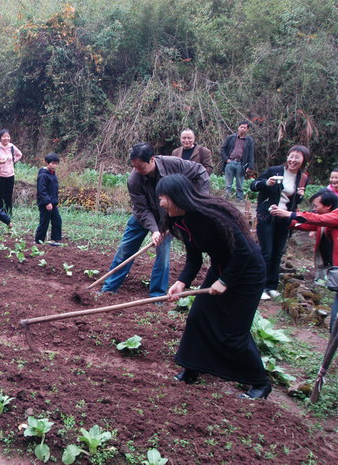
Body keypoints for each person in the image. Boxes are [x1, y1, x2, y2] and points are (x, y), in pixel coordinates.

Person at [160, 174, 271, 399]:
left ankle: (260, 383)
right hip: (221, 268)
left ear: (175, 197)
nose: (160, 203)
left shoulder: (212, 216)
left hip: (247, 272)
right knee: (198, 317)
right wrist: (181, 283)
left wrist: (225, 281)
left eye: (162, 197)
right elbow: (194, 258)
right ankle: (193, 368)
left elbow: (244, 251)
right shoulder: (180, 220)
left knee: (233, 331)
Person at [100, 143, 210, 297]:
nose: (137, 170)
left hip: (168, 216)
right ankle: (109, 289)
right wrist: (154, 230)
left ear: (152, 160)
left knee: (163, 254)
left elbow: (201, 171)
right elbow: (141, 209)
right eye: (134, 166)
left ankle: (157, 295)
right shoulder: (134, 179)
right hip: (142, 216)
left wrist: (201, 200)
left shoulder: (173, 164)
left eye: (140, 166)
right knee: (125, 249)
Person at [271, 189, 338, 332]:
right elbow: (305, 224)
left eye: (316, 206)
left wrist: (290, 213)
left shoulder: (334, 217)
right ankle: (334, 333)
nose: (314, 209)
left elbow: (317, 219)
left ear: (328, 206)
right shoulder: (326, 219)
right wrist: (284, 219)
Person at [250, 145, 310, 300]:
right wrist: (266, 183)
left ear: (303, 160)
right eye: (291, 156)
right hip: (266, 217)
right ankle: (260, 287)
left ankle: (272, 286)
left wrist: (301, 196)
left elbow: (296, 200)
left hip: (284, 218)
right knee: (266, 253)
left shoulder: (302, 177)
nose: (293, 160)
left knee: (277, 254)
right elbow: (253, 186)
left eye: (297, 157)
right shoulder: (273, 171)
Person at [0, 129, 23, 215]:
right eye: (4, 136)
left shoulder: (12, 147)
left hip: (10, 175)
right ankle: (0, 214)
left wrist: (13, 162)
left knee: (9, 196)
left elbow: (19, 154)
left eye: (8, 136)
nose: (6, 138)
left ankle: (9, 213)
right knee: (0, 196)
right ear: (0, 138)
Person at [220, 121, 255, 202]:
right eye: (241, 127)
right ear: (238, 127)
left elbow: (251, 153)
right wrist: (226, 159)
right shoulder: (231, 137)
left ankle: (239, 200)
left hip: (241, 164)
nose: (242, 129)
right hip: (230, 162)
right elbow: (223, 149)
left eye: (244, 128)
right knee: (228, 184)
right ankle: (226, 200)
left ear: (247, 129)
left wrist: (250, 166)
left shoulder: (249, 140)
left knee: (240, 184)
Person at [35, 153, 62, 246]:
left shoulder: (53, 174)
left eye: (56, 163)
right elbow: (42, 190)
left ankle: (55, 240)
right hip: (45, 203)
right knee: (44, 222)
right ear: (47, 163)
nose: (54, 165)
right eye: (53, 163)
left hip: (53, 203)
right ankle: (38, 241)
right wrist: (47, 202)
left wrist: (54, 201)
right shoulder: (43, 175)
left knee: (57, 221)